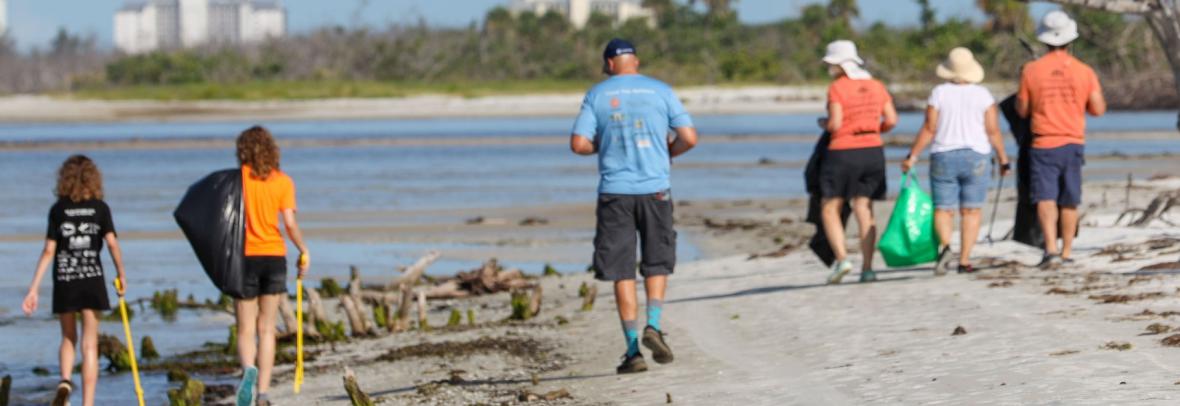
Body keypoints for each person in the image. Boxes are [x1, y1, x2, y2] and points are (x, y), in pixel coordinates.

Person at [570, 39, 698, 374]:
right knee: (657, 262)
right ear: (635, 62)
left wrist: (602, 144)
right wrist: (669, 153)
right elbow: (690, 137)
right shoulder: (661, 91)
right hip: (656, 190)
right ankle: (653, 325)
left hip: (615, 192)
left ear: (609, 63)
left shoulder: (597, 94)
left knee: (621, 271)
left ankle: (632, 351)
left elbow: (578, 143)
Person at [22, 155, 127, 406]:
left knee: (68, 336)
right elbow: (112, 243)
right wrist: (121, 273)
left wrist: (33, 289)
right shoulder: (100, 209)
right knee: (90, 344)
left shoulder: (58, 210)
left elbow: (49, 250)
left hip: (65, 280)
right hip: (92, 280)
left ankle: (65, 381)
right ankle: (87, 403)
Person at [902, 47, 1011, 275]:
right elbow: (993, 131)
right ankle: (964, 261)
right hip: (976, 156)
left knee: (943, 208)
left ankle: (946, 247)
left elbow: (930, 128)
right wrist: (1003, 159)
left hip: (944, 154)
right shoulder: (983, 95)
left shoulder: (939, 93)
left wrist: (912, 156)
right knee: (971, 210)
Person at [1016, 11, 1106, 268]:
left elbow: (1022, 110)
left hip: (1043, 141)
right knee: (1069, 199)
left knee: (1045, 198)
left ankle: (1051, 250)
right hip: (1073, 142)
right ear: (1070, 39)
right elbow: (1098, 109)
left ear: (1043, 40)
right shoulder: (1084, 71)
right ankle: (1067, 252)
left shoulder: (1031, 70)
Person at [233, 126, 310, 406]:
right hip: (275, 257)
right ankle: (263, 392)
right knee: (267, 328)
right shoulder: (283, 182)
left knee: (244, 328)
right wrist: (303, 249)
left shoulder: (237, 180)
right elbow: (289, 223)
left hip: (244, 258)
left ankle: (247, 372)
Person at [818, 40, 898, 284]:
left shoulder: (838, 88)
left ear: (839, 65)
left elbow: (835, 124)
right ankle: (867, 268)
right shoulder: (876, 85)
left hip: (843, 150)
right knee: (864, 208)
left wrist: (823, 124)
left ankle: (842, 259)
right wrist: (875, 129)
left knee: (830, 207)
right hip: (873, 150)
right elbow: (892, 120)